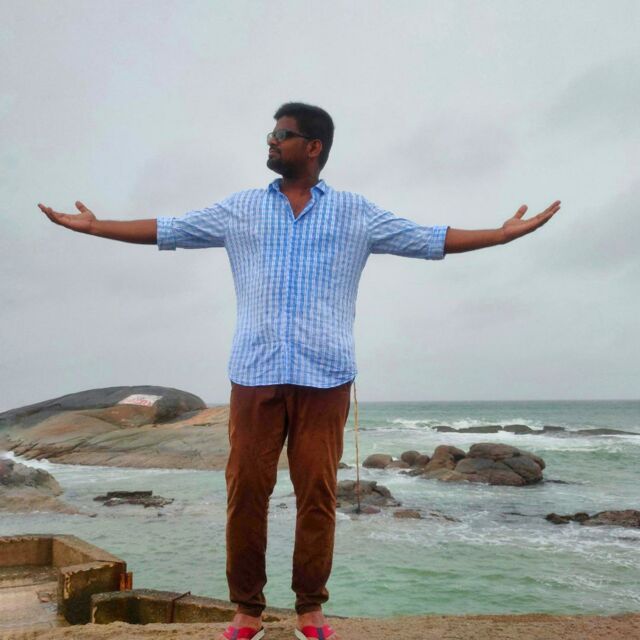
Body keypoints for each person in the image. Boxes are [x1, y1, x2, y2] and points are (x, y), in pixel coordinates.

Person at [38, 102, 560, 640]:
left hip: (326, 376)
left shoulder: (355, 212)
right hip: (255, 372)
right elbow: (170, 229)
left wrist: (500, 235)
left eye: (281, 134)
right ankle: (247, 611)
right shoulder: (241, 208)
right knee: (246, 493)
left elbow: (428, 239)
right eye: (271, 133)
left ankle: (310, 610)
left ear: (313, 147)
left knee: (318, 495)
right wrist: (96, 227)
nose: (270, 140)